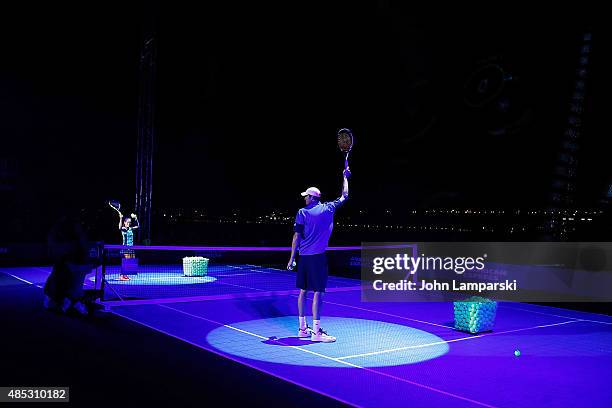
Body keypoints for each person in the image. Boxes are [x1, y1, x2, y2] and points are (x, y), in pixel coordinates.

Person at [287, 166, 350, 342]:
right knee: (318, 293)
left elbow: (296, 237)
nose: (304, 198)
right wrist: (345, 177)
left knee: (303, 291)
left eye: (306, 196)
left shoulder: (301, 213)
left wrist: (292, 258)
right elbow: (345, 195)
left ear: (312, 197)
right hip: (317, 258)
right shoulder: (328, 208)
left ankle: (302, 329)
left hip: (304, 258)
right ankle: (316, 332)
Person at [43, 213, 91, 316]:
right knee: (73, 289)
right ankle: (69, 305)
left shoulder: (67, 234)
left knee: (74, 289)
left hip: (73, 264)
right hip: (70, 264)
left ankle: (69, 306)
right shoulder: (62, 234)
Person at [117, 212, 139, 281]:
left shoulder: (130, 229)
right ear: (124, 222)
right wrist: (120, 218)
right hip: (125, 247)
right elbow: (119, 227)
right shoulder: (124, 229)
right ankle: (122, 276)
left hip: (131, 248)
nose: (129, 224)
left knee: (130, 262)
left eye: (130, 222)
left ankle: (125, 275)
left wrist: (136, 218)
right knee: (126, 261)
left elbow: (138, 226)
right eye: (127, 222)